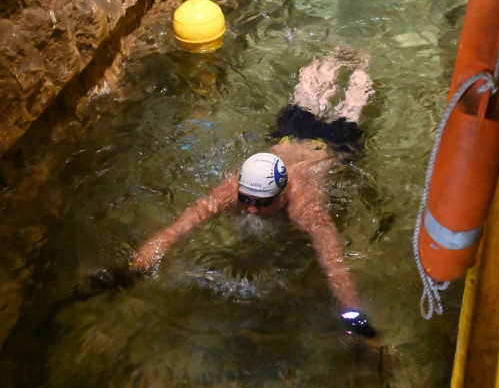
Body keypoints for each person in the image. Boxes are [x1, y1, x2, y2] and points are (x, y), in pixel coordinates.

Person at [135, 48, 376, 337]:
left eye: (261, 202)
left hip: (334, 144)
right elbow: (191, 218)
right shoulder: (234, 187)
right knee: (309, 90)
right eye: (246, 199)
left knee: (352, 105)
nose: (250, 208)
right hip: (289, 134)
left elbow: (334, 264)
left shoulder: (305, 206)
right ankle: (333, 54)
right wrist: (145, 257)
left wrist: (354, 319)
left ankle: (363, 61)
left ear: (284, 195)